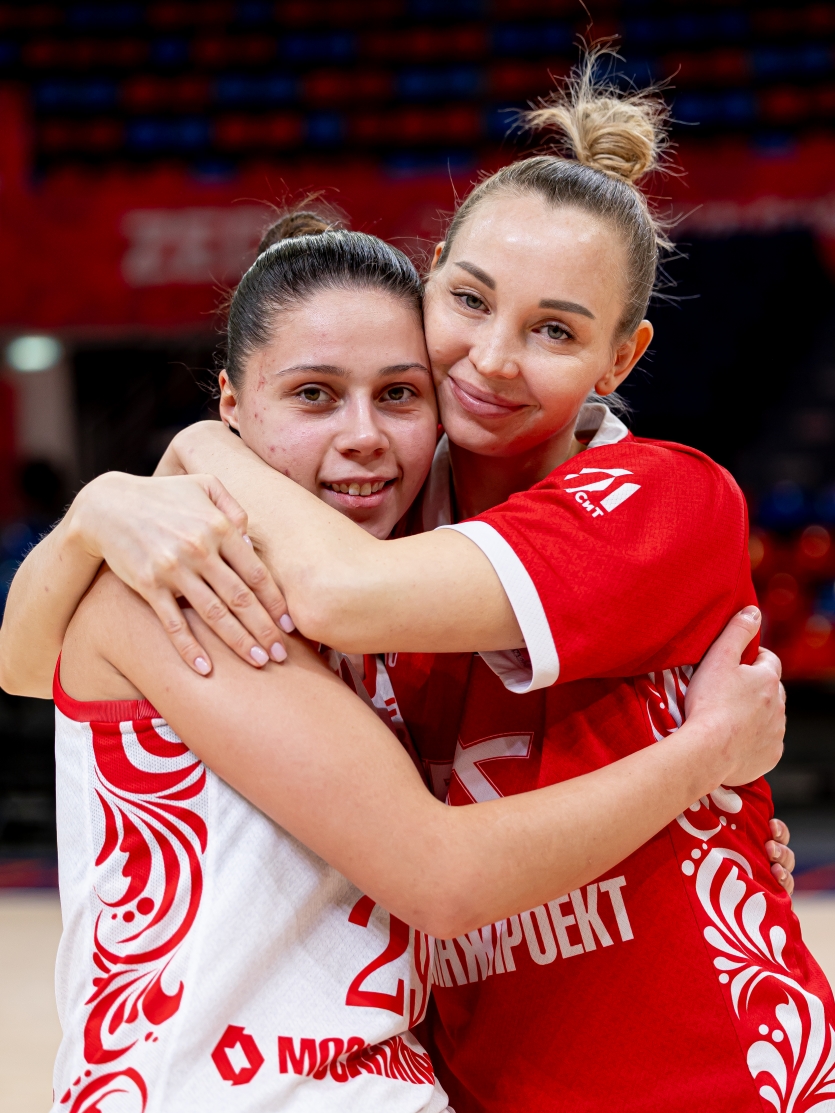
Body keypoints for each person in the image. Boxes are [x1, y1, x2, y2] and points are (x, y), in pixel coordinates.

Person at [0, 62, 805, 1111]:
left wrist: (195, 450)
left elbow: (343, 598)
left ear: (621, 358)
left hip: (710, 1072)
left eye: (555, 330)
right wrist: (106, 506)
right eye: (469, 301)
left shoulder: (654, 496)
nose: (494, 358)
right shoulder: (357, 525)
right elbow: (35, 661)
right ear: (432, 282)